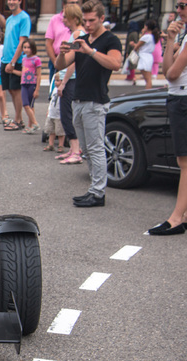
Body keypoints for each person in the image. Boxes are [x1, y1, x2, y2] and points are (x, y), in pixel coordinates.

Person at [55, 0, 122, 208]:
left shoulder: (110, 40)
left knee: (95, 148)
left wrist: (90, 51)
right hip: (79, 99)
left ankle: (98, 192)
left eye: (92, 20)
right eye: (85, 20)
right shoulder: (82, 39)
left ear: (102, 18)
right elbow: (60, 64)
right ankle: (94, 188)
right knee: (85, 148)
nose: (88, 24)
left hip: (95, 100)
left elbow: (116, 64)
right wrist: (63, 51)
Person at [147, 4, 187, 235]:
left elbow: (172, 73)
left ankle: (176, 219)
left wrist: (173, 45)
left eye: (184, 5)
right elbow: (167, 69)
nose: (179, 10)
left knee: (186, 161)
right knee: (185, 160)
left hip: (185, 99)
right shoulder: (186, 34)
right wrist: (171, 40)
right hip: (181, 98)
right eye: (177, 5)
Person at [55, 3, 85, 164]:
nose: (63, 20)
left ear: (73, 17)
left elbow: (73, 61)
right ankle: (73, 149)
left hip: (71, 79)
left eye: (66, 16)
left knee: (67, 115)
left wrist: (63, 83)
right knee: (66, 114)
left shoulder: (78, 33)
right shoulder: (75, 33)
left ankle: (76, 150)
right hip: (69, 78)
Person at [0, 0, 31, 131]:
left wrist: (13, 62)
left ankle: (17, 120)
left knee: (17, 91)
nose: (11, 2)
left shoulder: (24, 18)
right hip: (6, 58)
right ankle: (19, 118)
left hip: (16, 60)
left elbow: (22, 42)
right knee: (11, 90)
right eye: (9, 0)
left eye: (14, 0)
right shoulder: (9, 19)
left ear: (20, 1)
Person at [45, 0, 77, 81]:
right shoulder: (55, 19)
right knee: (54, 91)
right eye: (72, 3)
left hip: (72, 61)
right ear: (64, 4)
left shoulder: (79, 28)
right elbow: (48, 43)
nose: (75, 5)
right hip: (57, 58)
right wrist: (56, 62)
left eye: (76, 3)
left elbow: (78, 46)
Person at [19, 37, 41, 133]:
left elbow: (39, 75)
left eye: (28, 47)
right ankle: (30, 125)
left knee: (28, 105)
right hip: (24, 83)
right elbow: (23, 72)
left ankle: (35, 124)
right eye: (24, 47)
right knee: (27, 105)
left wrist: (37, 89)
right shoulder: (23, 59)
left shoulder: (36, 59)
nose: (26, 49)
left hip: (32, 83)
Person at [130, 19, 159, 89]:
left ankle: (148, 91)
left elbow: (137, 46)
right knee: (148, 78)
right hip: (148, 56)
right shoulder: (152, 36)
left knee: (147, 79)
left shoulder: (146, 36)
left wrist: (133, 44)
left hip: (144, 56)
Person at [43, 73, 66, 152]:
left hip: (59, 115)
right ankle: (50, 144)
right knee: (51, 131)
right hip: (51, 114)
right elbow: (52, 101)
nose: (56, 83)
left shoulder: (63, 90)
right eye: (55, 81)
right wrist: (48, 110)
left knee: (60, 131)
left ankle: (61, 145)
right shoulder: (54, 90)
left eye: (58, 81)